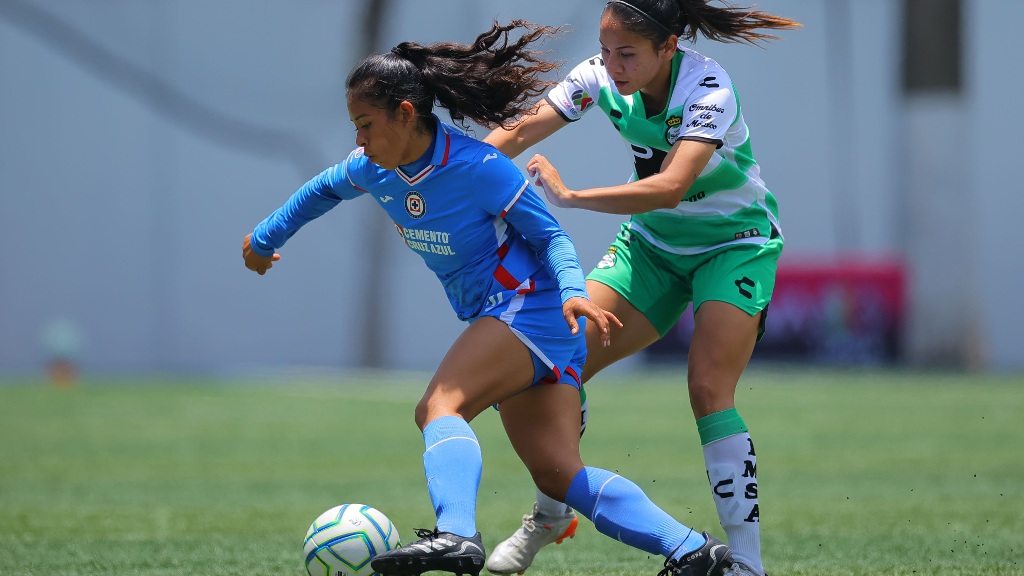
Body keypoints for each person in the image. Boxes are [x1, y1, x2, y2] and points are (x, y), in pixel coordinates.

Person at [243, 20, 744, 576]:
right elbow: (319, 191)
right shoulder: (373, 169)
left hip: (528, 306)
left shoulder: (478, 167)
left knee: (439, 406)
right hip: (528, 319)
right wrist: (264, 239)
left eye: (365, 124)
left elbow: (550, 235)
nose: (358, 140)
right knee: (558, 473)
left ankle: (456, 535)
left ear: (405, 114)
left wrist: (575, 293)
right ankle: (695, 552)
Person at [481, 3, 800, 576]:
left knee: (707, 387)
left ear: (667, 47)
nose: (612, 65)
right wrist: (440, 172)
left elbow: (671, 187)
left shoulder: (709, 87)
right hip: (651, 248)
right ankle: (552, 510)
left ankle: (747, 566)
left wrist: (572, 198)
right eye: (606, 50)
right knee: (555, 359)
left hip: (735, 244)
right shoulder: (598, 75)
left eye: (627, 53)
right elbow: (521, 130)